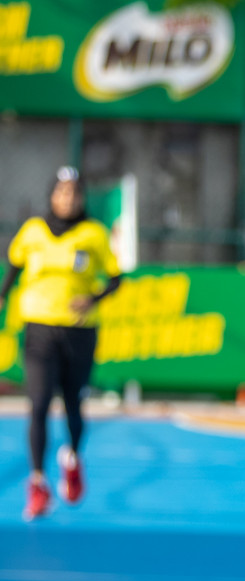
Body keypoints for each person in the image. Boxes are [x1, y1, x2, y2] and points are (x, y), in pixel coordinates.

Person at [0, 167, 122, 520]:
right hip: (39, 328)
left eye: (75, 193)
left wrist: (94, 298)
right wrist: (3, 296)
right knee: (38, 404)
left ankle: (71, 458)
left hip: (79, 331)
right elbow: (14, 265)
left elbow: (117, 278)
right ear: (52, 195)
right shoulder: (33, 231)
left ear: (82, 198)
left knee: (73, 405)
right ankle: (37, 484)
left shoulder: (93, 234)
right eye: (62, 192)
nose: (68, 199)